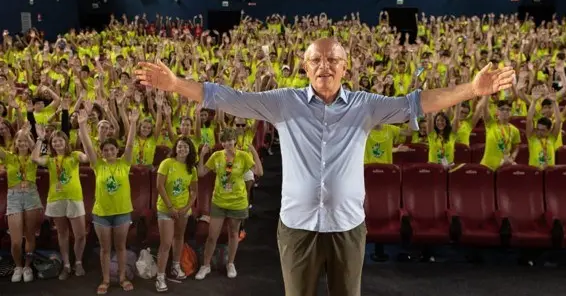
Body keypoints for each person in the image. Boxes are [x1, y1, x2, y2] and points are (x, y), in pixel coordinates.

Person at [136, 37, 515, 296]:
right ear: (305, 66)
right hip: (297, 228)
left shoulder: (365, 105)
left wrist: (471, 89)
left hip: (347, 229)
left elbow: (416, 103)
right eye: (316, 59)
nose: (325, 66)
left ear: (345, 66)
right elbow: (226, 97)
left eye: (333, 59)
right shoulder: (284, 102)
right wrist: (174, 85)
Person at [78, 108, 138, 295]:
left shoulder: (124, 162)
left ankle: (121, 278)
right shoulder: (98, 165)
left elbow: (129, 146)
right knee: (105, 249)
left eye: (112, 149)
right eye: (106, 149)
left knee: (120, 247)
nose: (109, 151)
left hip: (122, 212)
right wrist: (82, 126)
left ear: (116, 151)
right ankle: (105, 280)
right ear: (102, 152)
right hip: (102, 214)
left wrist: (133, 123)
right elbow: (88, 147)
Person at [195, 128, 263, 280]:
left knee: (233, 234)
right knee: (212, 236)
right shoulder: (216, 156)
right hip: (219, 201)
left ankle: (230, 263)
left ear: (235, 141)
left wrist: (254, 152)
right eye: (224, 141)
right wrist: (201, 155)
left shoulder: (244, 156)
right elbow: (201, 173)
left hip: (237, 202)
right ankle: (205, 265)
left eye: (230, 141)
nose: (227, 144)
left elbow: (259, 172)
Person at [31, 129, 90, 280]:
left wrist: (85, 136)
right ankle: (66, 265)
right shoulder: (50, 159)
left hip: (74, 198)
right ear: (51, 144)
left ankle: (78, 261)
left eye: (60, 140)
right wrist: (40, 139)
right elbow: (35, 159)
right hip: (56, 199)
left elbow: (87, 157)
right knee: (62, 233)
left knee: (80, 235)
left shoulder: (74, 155)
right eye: (54, 141)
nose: (57, 143)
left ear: (66, 141)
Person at [154, 136, 198, 292]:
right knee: (165, 243)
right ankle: (160, 277)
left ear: (190, 150)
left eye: (185, 147)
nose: (182, 149)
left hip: (183, 210)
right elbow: (159, 186)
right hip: (166, 209)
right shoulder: (167, 163)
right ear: (175, 148)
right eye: (180, 146)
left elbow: (194, 191)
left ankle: (175, 266)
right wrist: (171, 207)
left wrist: (186, 208)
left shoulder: (191, 168)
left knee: (179, 237)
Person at [0, 127, 42, 283]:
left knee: (30, 236)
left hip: (31, 197)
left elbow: (41, 149)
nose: (23, 143)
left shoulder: (34, 157)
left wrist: (36, 138)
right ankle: (18, 266)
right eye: (20, 140)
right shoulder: (9, 157)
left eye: (25, 140)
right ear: (15, 143)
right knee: (16, 241)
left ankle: (27, 266)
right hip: (14, 198)